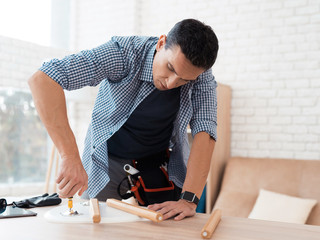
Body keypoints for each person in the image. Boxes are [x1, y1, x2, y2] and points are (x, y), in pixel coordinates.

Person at [28, 18, 219, 221]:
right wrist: (70, 157)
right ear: (161, 43)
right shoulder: (123, 53)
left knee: (163, 228)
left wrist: (189, 200)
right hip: (106, 159)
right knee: (90, 226)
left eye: (184, 80)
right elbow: (44, 78)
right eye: (170, 68)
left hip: (155, 162)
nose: (172, 83)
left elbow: (205, 132)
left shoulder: (202, 78)